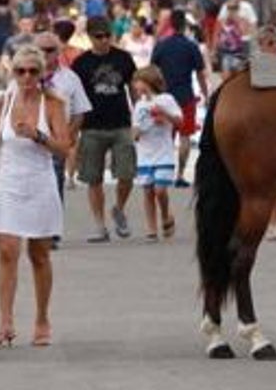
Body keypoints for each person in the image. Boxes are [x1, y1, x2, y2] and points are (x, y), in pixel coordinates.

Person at [0, 45, 71, 347]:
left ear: (43, 72)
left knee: (39, 254)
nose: (27, 76)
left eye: (34, 70)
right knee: (7, 252)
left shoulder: (53, 104)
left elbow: (65, 148)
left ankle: (42, 319)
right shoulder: (4, 102)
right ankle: (5, 323)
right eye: (21, 71)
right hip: (8, 183)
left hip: (40, 183)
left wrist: (38, 135)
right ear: (13, 72)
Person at [71, 15, 138, 242]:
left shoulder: (124, 58)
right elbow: (74, 97)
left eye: (107, 35)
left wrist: (139, 115)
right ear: (89, 37)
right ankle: (100, 227)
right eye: (99, 36)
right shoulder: (80, 64)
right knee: (93, 178)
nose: (104, 40)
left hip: (121, 123)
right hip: (91, 126)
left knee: (127, 173)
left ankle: (118, 208)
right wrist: (73, 126)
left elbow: (134, 88)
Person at [151, 9, 209, 190]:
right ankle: (180, 175)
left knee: (165, 137)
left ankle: (162, 174)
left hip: (164, 97)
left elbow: (152, 70)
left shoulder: (161, 45)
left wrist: (152, 94)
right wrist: (206, 94)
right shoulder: (191, 46)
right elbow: (200, 73)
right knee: (185, 137)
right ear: (184, 25)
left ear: (170, 24)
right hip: (185, 97)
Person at [33, 31, 91, 208]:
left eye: (49, 50)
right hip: (31, 137)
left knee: (54, 181)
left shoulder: (70, 78)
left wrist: (69, 135)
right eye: (40, 50)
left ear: (58, 52)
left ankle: (52, 227)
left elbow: (80, 110)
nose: (45, 54)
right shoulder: (26, 75)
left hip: (57, 137)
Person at [129, 66, 181, 242]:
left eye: (138, 81)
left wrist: (164, 115)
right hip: (145, 154)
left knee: (160, 189)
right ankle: (151, 228)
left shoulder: (166, 99)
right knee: (148, 191)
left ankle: (166, 216)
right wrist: (136, 133)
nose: (135, 85)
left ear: (148, 82)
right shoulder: (139, 105)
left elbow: (179, 121)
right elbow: (135, 129)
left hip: (163, 152)